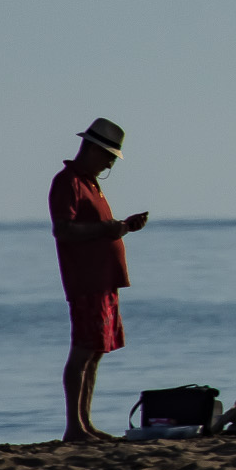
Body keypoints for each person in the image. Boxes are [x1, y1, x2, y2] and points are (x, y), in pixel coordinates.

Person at [50, 117, 149, 442]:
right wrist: (107, 229)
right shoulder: (68, 182)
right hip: (86, 280)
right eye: (107, 156)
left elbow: (98, 229)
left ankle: (85, 423)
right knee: (82, 350)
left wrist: (122, 227)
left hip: (104, 280)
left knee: (95, 352)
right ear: (91, 149)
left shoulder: (92, 184)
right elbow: (64, 230)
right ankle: (74, 427)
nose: (109, 163)